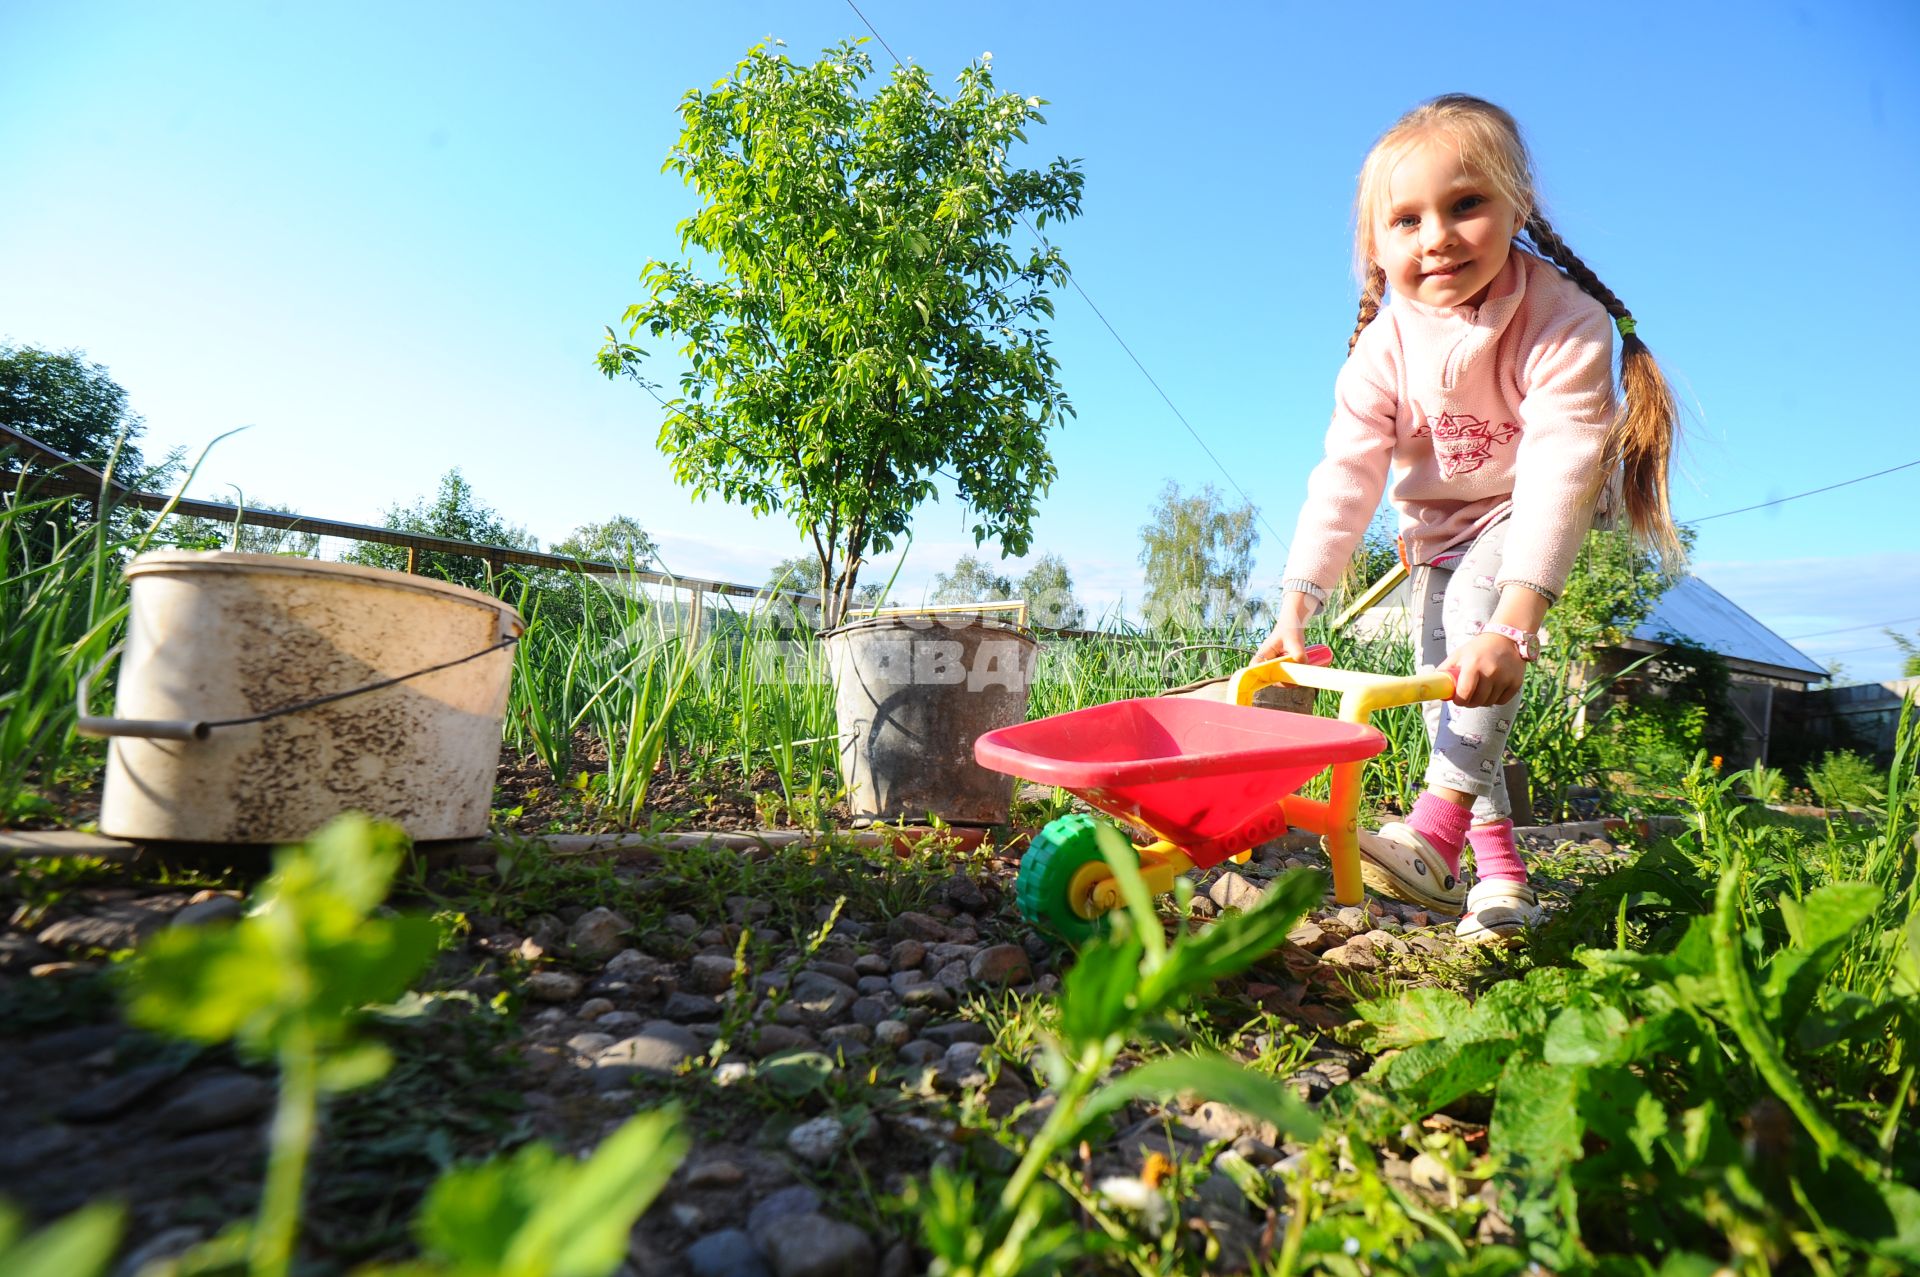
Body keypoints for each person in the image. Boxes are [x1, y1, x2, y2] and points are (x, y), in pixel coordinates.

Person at [1254, 94, 1680, 943]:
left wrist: (1517, 622)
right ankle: (1499, 882)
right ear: (1374, 245)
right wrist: (1298, 600)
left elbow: (1563, 462)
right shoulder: (1382, 347)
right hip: (1438, 532)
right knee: (1449, 702)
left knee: (1477, 641)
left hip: (1524, 519)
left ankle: (1435, 834)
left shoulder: (1562, 319)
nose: (1437, 236)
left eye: (1465, 205)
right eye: (1405, 220)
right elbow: (1348, 472)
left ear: (1518, 206)